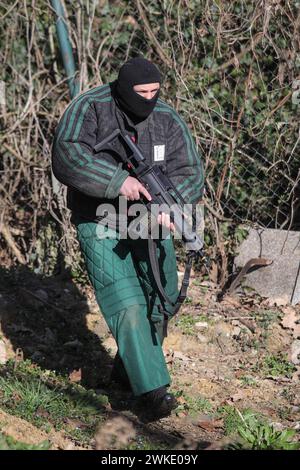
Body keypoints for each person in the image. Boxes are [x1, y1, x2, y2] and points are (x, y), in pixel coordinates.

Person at [52, 57, 204, 418]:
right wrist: (118, 182)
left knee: (162, 296)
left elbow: (190, 170)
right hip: (99, 217)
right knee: (126, 300)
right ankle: (153, 394)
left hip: (151, 220)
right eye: (141, 93)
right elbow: (68, 155)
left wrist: (173, 205)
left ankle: (128, 372)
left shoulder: (167, 119)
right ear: (122, 89)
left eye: (155, 92)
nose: (149, 99)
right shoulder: (89, 108)